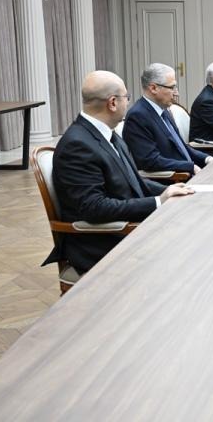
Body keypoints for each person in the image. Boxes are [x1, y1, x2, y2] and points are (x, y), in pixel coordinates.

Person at [45, 71, 193, 273]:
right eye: (126, 97)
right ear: (113, 103)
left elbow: (133, 182)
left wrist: (172, 191)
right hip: (103, 243)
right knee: (187, 248)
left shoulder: (109, 134)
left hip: (127, 228)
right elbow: (94, 207)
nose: (128, 102)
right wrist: (158, 202)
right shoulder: (77, 145)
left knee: (191, 229)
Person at [122, 63, 213, 175]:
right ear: (153, 88)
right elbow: (150, 161)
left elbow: (181, 147)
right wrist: (190, 167)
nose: (177, 93)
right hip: (174, 180)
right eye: (172, 87)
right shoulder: (137, 116)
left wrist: (207, 159)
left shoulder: (163, 109)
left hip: (188, 173)